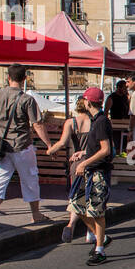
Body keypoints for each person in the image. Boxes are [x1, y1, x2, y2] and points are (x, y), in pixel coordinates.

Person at [0, 63, 54, 229]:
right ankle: (36, 214)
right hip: (22, 146)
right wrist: (49, 145)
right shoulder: (27, 100)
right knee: (29, 180)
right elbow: (37, 124)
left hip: (2, 148)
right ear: (24, 79)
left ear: (8, 77)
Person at [71, 86, 115, 265]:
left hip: (98, 172)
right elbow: (98, 147)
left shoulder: (102, 121)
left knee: (97, 212)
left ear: (88, 102)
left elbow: (105, 149)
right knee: (76, 204)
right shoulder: (96, 120)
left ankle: (100, 249)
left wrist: (85, 162)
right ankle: (101, 238)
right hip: (91, 170)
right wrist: (84, 153)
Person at [46, 96, 92, 242]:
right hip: (92, 161)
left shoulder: (71, 122)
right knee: (91, 197)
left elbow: (62, 142)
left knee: (76, 195)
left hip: (76, 163)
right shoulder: (96, 122)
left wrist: (50, 150)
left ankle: (71, 224)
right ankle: (90, 231)